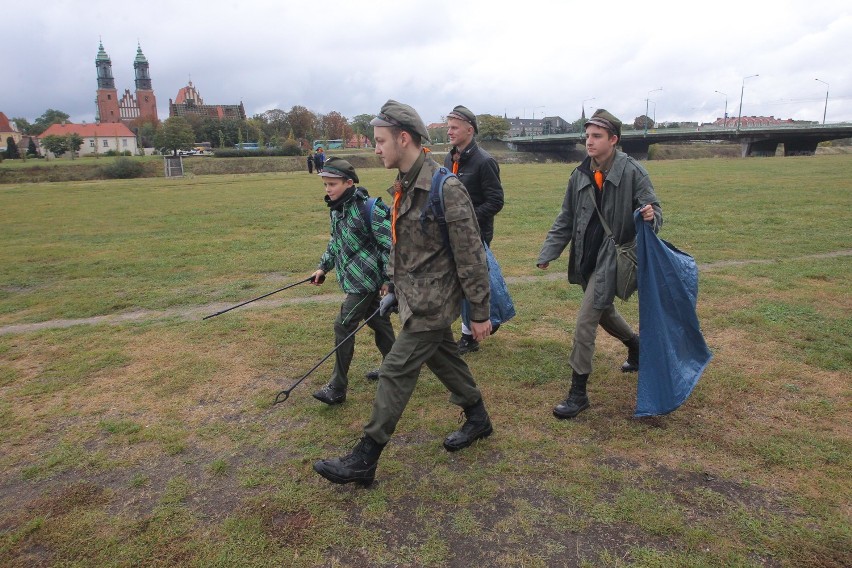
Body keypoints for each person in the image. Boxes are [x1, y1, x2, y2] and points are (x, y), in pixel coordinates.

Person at [313, 100, 494, 486]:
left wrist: (479, 313)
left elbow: (472, 255)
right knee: (444, 359)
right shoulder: (404, 185)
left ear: (404, 138)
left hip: (434, 302)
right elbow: (401, 245)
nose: (376, 148)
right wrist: (392, 284)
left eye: (380, 141)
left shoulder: (447, 188)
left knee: (394, 371)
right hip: (414, 297)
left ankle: (366, 456)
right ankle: (478, 418)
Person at [536, 109, 662, 420]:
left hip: (613, 259)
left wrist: (650, 216)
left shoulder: (633, 172)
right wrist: (549, 251)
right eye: (587, 135)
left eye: (596, 136)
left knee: (585, 322)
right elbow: (566, 217)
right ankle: (636, 346)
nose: (589, 142)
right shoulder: (579, 174)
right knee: (604, 311)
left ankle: (578, 393)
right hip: (586, 257)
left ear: (613, 140)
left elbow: (655, 211)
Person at [310, 157, 396, 405]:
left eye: (333, 184)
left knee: (343, 325)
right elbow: (335, 242)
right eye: (325, 184)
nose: (328, 189)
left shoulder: (369, 209)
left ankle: (337, 387)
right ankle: (397, 367)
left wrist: (389, 280)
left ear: (349, 183)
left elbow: (389, 246)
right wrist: (322, 267)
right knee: (379, 323)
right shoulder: (338, 209)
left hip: (367, 282)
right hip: (353, 278)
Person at [443, 105, 505, 355]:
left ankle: (471, 334)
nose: (449, 132)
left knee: (470, 281)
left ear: (470, 130)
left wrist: (466, 219)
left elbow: (495, 201)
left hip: (476, 233)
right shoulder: (450, 158)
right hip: (451, 232)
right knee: (461, 281)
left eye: (454, 127)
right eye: (448, 127)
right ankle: (478, 325)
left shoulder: (485, 161)